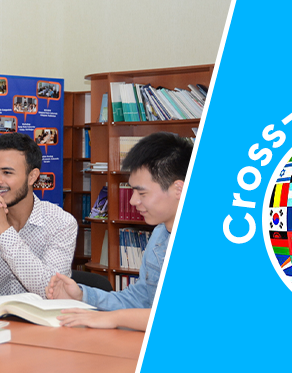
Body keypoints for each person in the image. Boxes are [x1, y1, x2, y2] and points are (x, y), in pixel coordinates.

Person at [47, 132, 192, 331]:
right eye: (132, 191)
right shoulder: (159, 235)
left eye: (142, 193)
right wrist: (82, 296)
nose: (133, 201)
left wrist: (114, 318)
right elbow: (138, 300)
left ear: (179, 189)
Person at [0, 133, 78, 299]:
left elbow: (51, 291)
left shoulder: (61, 223)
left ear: (32, 177)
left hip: (38, 316)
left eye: (7, 172)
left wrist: (4, 232)